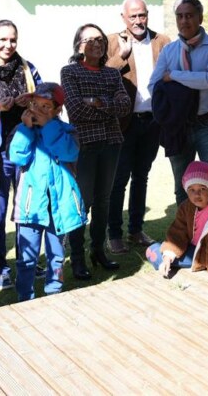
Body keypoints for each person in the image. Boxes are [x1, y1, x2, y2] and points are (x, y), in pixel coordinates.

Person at [60, 24, 131, 279]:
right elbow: (75, 111)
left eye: (100, 39)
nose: (96, 44)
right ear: (78, 45)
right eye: (89, 40)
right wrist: (106, 107)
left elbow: (125, 106)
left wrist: (98, 103)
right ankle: (77, 258)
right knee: (83, 202)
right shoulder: (70, 72)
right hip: (85, 147)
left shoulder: (112, 75)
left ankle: (98, 251)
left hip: (111, 144)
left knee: (104, 200)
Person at [0, 19, 44, 290]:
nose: (8, 45)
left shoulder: (28, 68)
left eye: (13, 40)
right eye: (2, 39)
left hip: (26, 142)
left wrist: (31, 99)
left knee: (25, 204)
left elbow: (45, 97)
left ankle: (26, 261)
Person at [8, 83, 86, 301]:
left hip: (59, 206)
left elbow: (67, 152)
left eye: (46, 106)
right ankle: (25, 297)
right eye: (35, 105)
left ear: (58, 110)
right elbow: (17, 157)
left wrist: (48, 126)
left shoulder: (68, 131)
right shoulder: (22, 131)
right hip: (31, 207)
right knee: (26, 257)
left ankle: (54, 293)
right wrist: (26, 129)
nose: (39, 111)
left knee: (57, 255)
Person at [105, 0, 171, 254]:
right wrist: (121, 56)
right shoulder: (112, 42)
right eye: (132, 16)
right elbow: (103, 76)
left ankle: (135, 230)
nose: (138, 20)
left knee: (141, 177)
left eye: (141, 15)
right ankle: (114, 233)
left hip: (152, 121)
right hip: (124, 123)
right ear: (123, 18)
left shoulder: (162, 42)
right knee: (118, 179)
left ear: (148, 15)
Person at [149, 0, 208, 205]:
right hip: (177, 126)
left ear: (200, 17)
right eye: (180, 16)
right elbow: (153, 86)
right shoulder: (169, 50)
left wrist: (174, 76)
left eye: (190, 15)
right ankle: (188, 234)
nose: (184, 21)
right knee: (183, 186)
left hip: (206, 123)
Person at [145, 161, 208, 283]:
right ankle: (165, 262)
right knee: (157, 248)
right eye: (191, 190)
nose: (197, 194)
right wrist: (168, 256)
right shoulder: (186, 206)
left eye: (202, 188)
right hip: (190, 246)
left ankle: (163, 263)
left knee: (153, 250)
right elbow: (178, 231)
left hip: (204, 254)